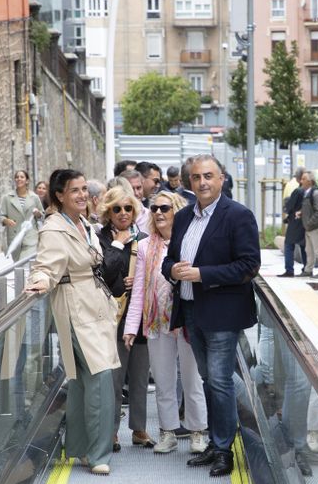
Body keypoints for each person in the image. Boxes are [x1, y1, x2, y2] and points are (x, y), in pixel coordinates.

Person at [163, 154, 261, 477]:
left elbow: (249, 266)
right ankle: (216, 443)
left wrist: (203, 274)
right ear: (188, 182)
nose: (202, 182)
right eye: (196, 177)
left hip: (223, 312)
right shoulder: (181, 218)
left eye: (209, 176)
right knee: (208, 379)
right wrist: (173, 270)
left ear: (221, 180)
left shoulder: (238, 216)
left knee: (219, 381)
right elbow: (169, 261)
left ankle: (224, 449)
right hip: (191, 309)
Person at [25, 169, 119, 476]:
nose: (82, 195)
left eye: (83, 189)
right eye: (74, 190)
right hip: (75, 305)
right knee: (100, 376)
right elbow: (45, 265)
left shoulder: (81, 223)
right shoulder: (54, 228)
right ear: (59, 196)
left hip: (93, 302)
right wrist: (39, 281)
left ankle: (81, 448)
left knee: (82, 379)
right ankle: (98, 452)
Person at [123, 191, 208, 455]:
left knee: (192, 380)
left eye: (165, 208)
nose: (158, 213)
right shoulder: (146, 246)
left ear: (177, 211)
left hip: (186, 321)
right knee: (163, 381)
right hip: (156, 322)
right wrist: (130, 328)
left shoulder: (189, 243)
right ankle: (168, 432)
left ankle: (197, 432)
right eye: (154, 208)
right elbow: (138, 290)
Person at [96, 186, 155, 452]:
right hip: (112, 317)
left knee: (140, 376)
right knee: (115, 379)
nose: (123, 213)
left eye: (128, 208)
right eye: (117, 208)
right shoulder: (101, 239)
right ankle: (112, 432)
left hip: (140, 317)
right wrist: (122, 281)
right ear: (108, 211)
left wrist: (139, 282)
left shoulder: (144, 238)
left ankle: (139, 429)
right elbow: (103, 273)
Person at [0, 170, 45, 261]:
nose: (19, 179)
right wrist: (6, 221)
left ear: (27, 181)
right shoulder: (7, 198)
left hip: (30, 235)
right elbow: (1, 216)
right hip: (14, 236)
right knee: (18, 266)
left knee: (25, 263)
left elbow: (42, 214)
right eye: (17, 177)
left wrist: (38, 214)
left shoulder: (34, 197)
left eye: (22, 177)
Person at [278, 168, 308, 277]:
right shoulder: (308, 191)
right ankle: (306, 268)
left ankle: (289, 270)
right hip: (305, 222)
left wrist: (286, 210)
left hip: (295, 222)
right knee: (303, 246)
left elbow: (290, 206)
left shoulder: (298, 191)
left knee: (289, 245)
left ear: (299, 179)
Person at [299, 171, 318, 278]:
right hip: (309, 228)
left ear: (309, 181)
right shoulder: (308, 193)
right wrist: (301, 213)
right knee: (309, 250)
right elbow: (310, 209)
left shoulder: (315, 193)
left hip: (315, 227)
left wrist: (310, 223)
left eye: (303, 179)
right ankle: (308, 270)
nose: (301, 181)